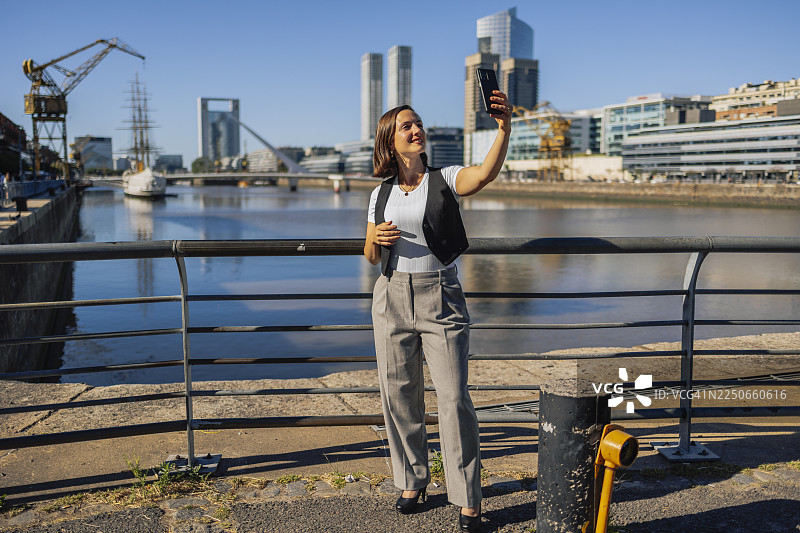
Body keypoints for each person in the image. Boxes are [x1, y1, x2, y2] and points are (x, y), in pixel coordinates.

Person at [363, 90, 511, 532]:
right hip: (390, 295)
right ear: (391, 140)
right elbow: (370, 254)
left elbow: (484, 175)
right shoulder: (380, 194)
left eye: (418, 123)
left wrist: (503, 128)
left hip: (439, 294)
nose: (416, 129)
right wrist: (380, 241)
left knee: (453, 398)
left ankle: (467, 498)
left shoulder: (444, 177)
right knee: (398, 394)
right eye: (407, 126)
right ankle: (412, 481)